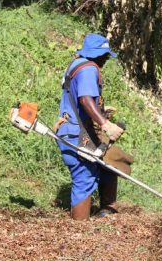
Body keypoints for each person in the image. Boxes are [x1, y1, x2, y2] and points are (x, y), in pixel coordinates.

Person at [54, 33, 134, 220]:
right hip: (77, 134)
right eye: (105, 55)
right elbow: (84, 99)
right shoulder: (89, 69)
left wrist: (101, 110)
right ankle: (79, 229)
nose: (106, 59)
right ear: (96, 54)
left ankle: (107, 210)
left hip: (70, 129)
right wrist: (105, 124)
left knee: (107, 165)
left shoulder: (76, 65)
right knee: (84, 175)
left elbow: (77, 98)